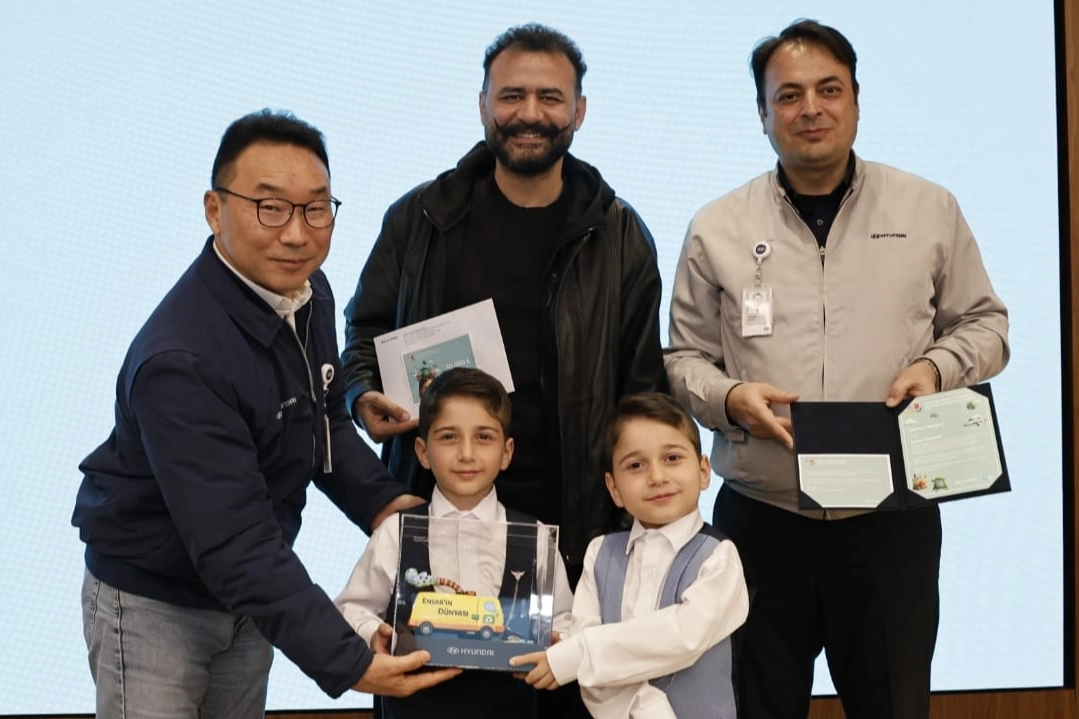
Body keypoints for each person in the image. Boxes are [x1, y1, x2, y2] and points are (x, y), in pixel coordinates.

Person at [665, 19, 1009, 719]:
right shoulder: (717, 226)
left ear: (856, 100)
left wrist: (935, 367)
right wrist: (730, 396)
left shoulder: (927, 208)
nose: (810, 109)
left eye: (829, 90)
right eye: (788, 95)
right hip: (761, 520)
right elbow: (682, 359)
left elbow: (986, 325)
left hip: (890, 520)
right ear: (762, 112)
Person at [72, 110, 459, 718]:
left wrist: (388, 504)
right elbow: (234, 543)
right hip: (155, 604)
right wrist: (348, 660)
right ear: (214, 209)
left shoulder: (306, 292)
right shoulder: (181, 362)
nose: (297, 234)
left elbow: (323, 420)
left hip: (252, 597)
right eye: (270, 207)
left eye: (316, 208)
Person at [341, 22, 665, 598]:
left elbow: (642, 392)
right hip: (437, 520)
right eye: (512, 96)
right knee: (432, 659)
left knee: (561, 659)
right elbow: (366, 331)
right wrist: (362, 391)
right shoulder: (420, 218)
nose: (530, 113)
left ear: (579, 111)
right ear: (483, 105)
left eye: (550, 97)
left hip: (575, 529)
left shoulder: (619, 235)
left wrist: (632, 526)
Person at [335, 367, 572, 718]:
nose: (466, 453)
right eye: (448, 437)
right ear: (422, 451)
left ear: (507, 452)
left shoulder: (535, 538)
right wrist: (374, 633)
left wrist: (558, 650)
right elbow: (351, 608)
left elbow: (565, 618)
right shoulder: (395, 533)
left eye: (484, 437)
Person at [511, 392, 749, 718]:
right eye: (636, 465)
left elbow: (681, 637)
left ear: (704, 470)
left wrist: (579, 654)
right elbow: (590, 673)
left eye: (672, 458)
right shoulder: (600, 554)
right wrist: (575, 654)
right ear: (614, 488)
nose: (657, 477)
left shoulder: (719, 557)